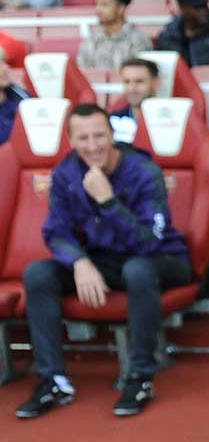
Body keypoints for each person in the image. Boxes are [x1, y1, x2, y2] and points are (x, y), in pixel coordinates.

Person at [13, 102, 192, 421]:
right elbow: (56, 232)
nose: (92, 145)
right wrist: (80, 262)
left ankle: (139, 378)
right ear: (71, 141)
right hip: (104, 260)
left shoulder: (143, 171)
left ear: (113, 135)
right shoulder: (67, 173)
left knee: (138, 269)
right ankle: (53, 380)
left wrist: (107, 201)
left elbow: (148, 242)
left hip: (162, 259)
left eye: (100, 135)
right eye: (83, 138)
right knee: (39, 274)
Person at [77, 0, 153, 70]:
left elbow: (138, 76)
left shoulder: (138, 40)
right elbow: (82, 72)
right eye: (97, 4)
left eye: (104, 5)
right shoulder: (92, 39)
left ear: (121, 8)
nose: (98, 10)